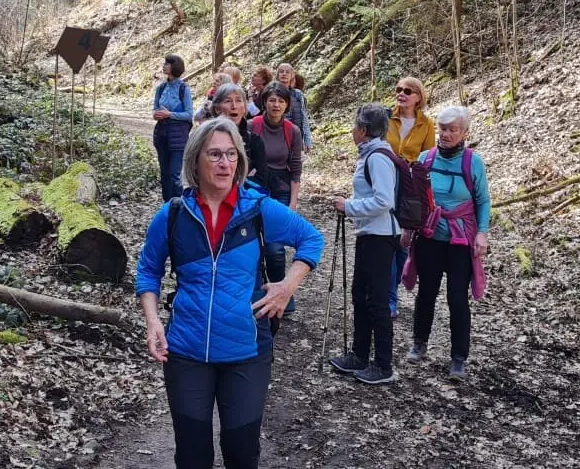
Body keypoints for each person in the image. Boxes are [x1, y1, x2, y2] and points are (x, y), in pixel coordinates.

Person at [137, 119, 325, 469]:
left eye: (231, 154)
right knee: (192, 456)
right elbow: (148, 271)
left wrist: (287, 286)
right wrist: (152, 322)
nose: (225, 163)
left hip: (246, 350)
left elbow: (311, 239)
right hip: (186, 351)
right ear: (195, 161)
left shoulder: (257, 209)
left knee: (241, 452)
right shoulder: (174, 215)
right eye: (214, 155)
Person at [403, 105, 490, 383]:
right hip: (430, 236)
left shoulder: (473, 163)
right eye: (443, 128)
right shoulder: (426, 158)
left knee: (456, 298)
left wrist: (482, 233)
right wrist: (408, 229)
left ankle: (458, 358)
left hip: (460, 239)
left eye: (453, 130)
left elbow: (483, 200)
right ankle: (419, 343)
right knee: (426, 292)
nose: (447, 134)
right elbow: (415, 198)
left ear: (464, 132)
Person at [329, 105, 401, 385]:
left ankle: (383, 365)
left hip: (380, 236)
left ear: (364, 130)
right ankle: (359, 356)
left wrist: (349, 206)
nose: (352, 130)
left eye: (355, 126)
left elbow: (384, 200)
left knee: (377, 300)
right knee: (360, 295)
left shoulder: (378, 158)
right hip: (369, 234)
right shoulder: (370, 154)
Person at [385, 76, 435, 318]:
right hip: (386, 181)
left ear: (418, 97)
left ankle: (392, 292)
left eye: (407, 91)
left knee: (403, 241)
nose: (401, 94)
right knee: (386, 237)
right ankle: (387, 297)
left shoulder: (426, 124)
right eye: (399, 90)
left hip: (411, 187)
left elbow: (428, 159)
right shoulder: (386, 117)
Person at [254, 82, 304, 322]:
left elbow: (296, 167)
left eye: (281, 101)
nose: (276, 105)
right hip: (255, 190)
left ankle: (283, 293)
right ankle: (256, 291)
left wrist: (293, 201)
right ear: (264, 102)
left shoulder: (292, 131)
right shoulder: (253, 125)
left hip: (281, 189)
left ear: (287, 105)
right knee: (252, 243)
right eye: (272, 100)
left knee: (275, 247)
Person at [212, 83, 268, 193]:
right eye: (228, 101)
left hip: (245, 200)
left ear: (244, 108)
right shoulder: (206, 140)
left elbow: (261, 181)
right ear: (217, 108)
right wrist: (244, 179)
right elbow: (203, 176)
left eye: (239, 100)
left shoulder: (254, 142)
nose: (234, 106)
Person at [153, 55, 195, 202]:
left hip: (178, 137)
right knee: (164, 174)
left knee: (174, 175)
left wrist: (170, 114)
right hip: (162, 134)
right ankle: (167, 205)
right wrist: (157, 115)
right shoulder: (161, 88)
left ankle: (178, 204)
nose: (164, 65)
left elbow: (189, 114)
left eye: (168, 63)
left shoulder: (183, 89)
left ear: (175, 66)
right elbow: (155, 109)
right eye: (164, 63)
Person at [275, 63, 313, 152]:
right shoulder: (271, 93)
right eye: (281, 71)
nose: (284, 74)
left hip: (296, 138)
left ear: (292, 75)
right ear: (277, 75)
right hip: (277, 138)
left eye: (287, 72)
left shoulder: (298, 94)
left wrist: (307, 140)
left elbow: (304, 118)